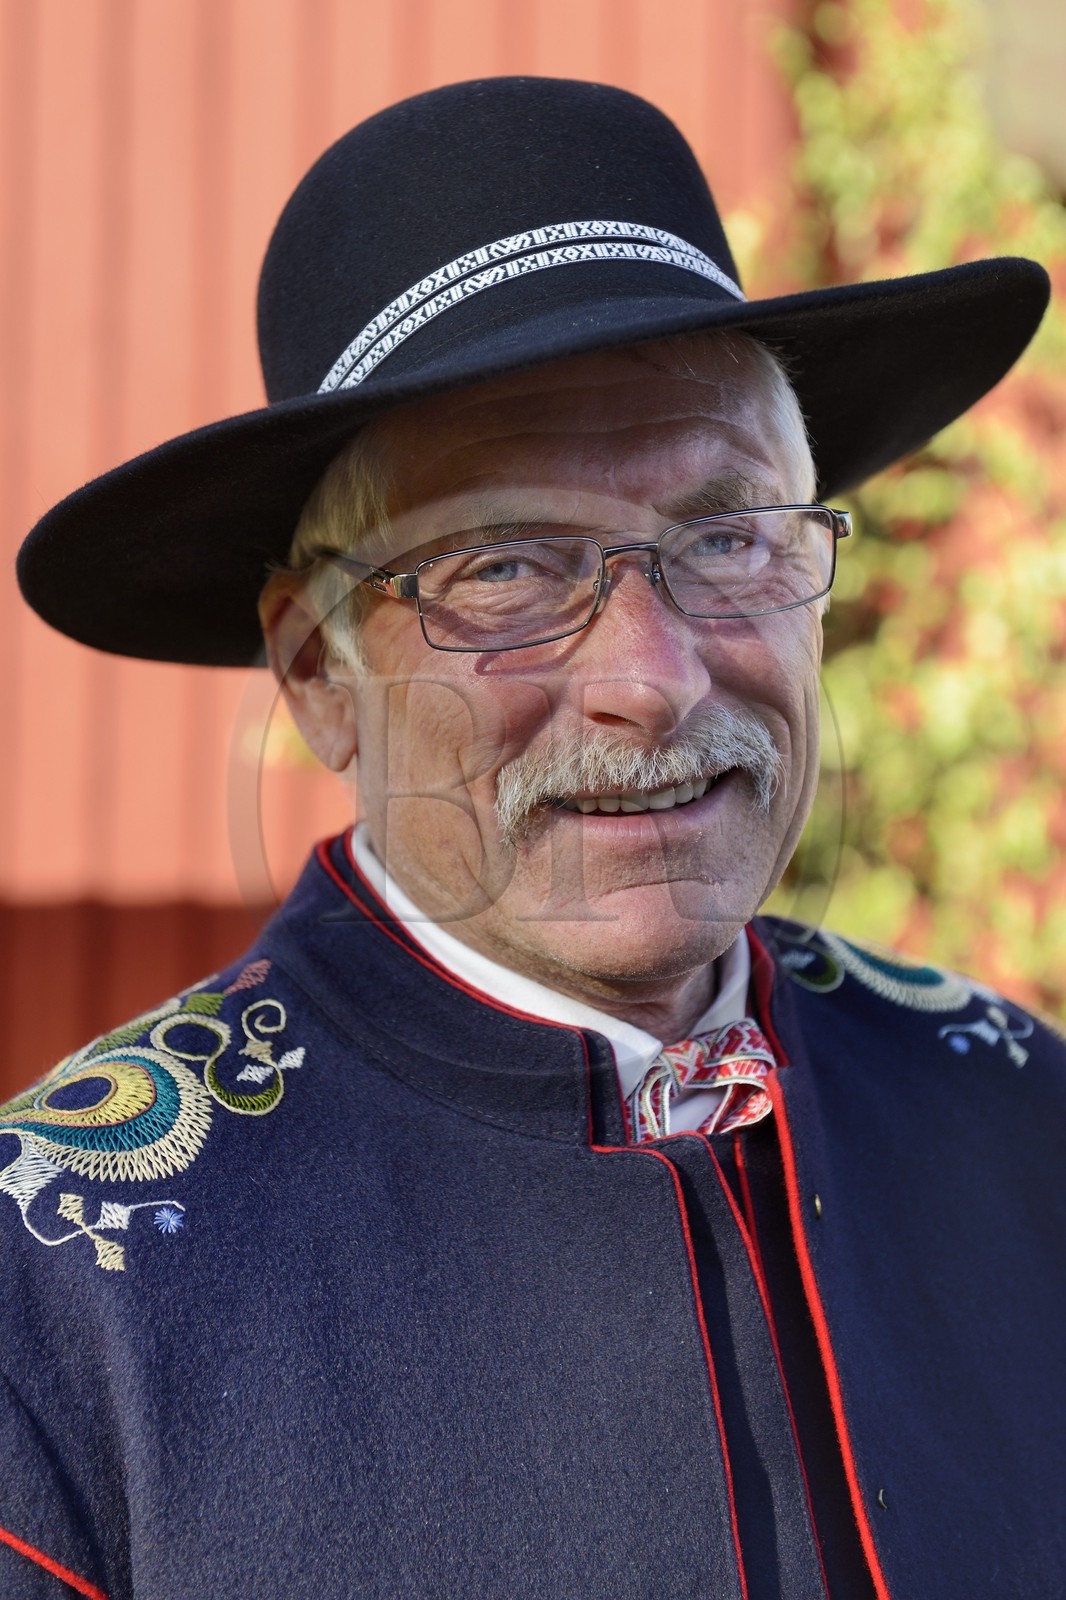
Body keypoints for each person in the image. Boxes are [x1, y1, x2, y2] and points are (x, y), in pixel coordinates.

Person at [3, 76, 1063, 1600]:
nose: (650, 677)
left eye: (723, 538)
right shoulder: (55, 1295)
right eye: (501, 567)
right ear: (320, 672)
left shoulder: (1018, 1117)